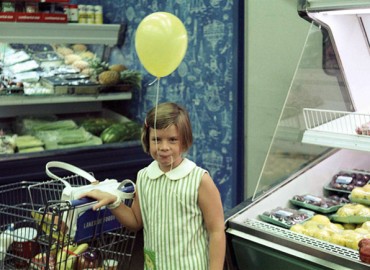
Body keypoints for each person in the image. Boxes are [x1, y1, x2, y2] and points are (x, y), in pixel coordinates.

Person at [80, 102, 226, 270]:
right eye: (156, 139)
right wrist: (113, 201)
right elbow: (135, 222)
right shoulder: (144, 177)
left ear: (185, 141)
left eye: (172, 140)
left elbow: (216, 232)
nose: (164, 147)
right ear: (147, 141)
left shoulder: (199, 179)